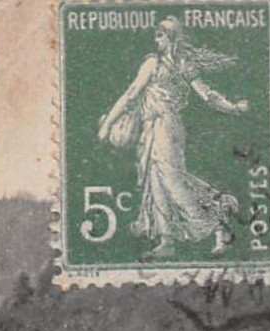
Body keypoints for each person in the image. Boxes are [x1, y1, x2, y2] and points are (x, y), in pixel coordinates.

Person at [95, 17, 245, 259]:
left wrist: (233, 108)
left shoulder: (167, 64)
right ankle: (167, 242)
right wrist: (234, 108)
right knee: (157, 183)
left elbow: (205, 94)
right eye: (156, 36)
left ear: (172, 38)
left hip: (166, 126)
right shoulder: (165, 63)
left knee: (173, 181)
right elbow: (134, 93)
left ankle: (220, 224)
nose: (157, 40)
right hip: (153, 127)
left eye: (161, 35)